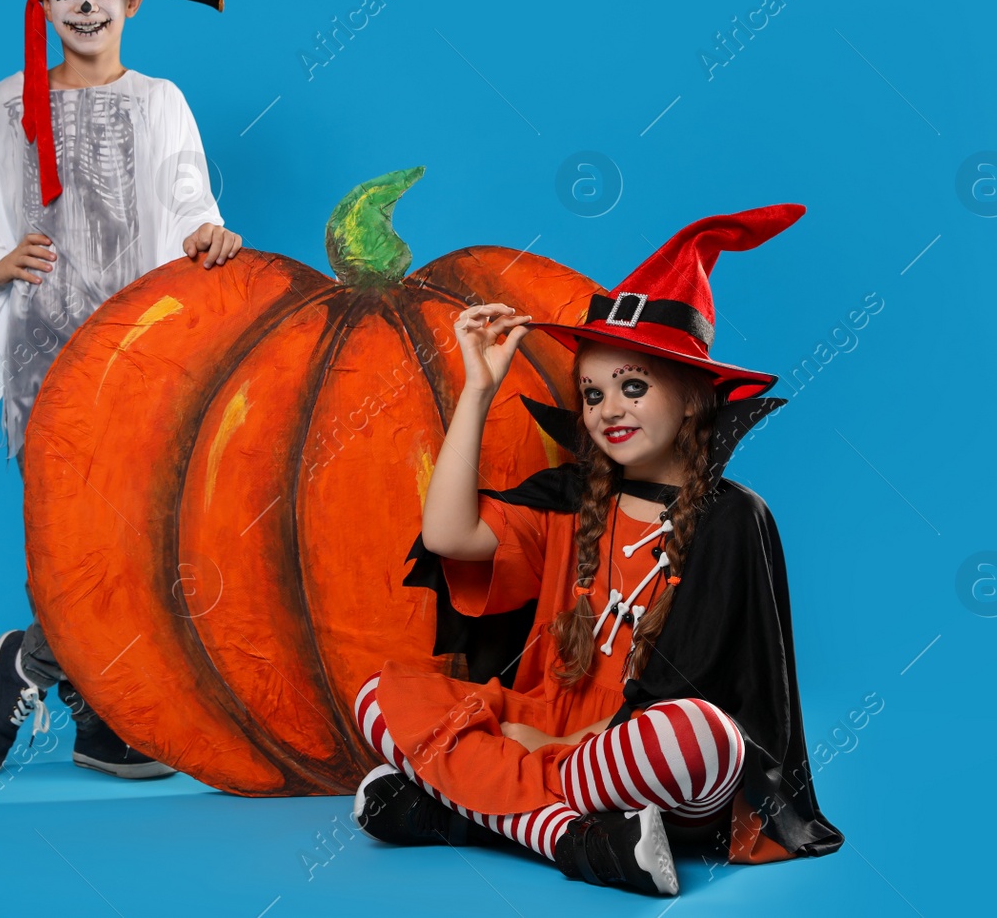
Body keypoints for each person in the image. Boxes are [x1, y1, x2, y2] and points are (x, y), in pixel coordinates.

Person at [349, 204, 843, 897]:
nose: (608, 407)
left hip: (642, 760)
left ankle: (472, 807)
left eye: (633, 386)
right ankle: (574, 837)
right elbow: (447, 536)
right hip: (552, 723)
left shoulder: (734, 518)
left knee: (701, 736)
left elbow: (708, 689)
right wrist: (479, 389)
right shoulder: (571, 499)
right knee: (379, 697)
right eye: (592, 391)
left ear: (696, 398)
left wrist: (548, 755)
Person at [0, 0, 243, 779]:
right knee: (68, 532)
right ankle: (100, 715)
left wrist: (203, 232)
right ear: (43, 5)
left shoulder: (158, 101)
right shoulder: (7, 103)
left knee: (135, 530)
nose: (84, 3)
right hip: (40, 344)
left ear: (132, 1)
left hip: (132, 343)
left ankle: (33, 663)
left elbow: (186, 191)